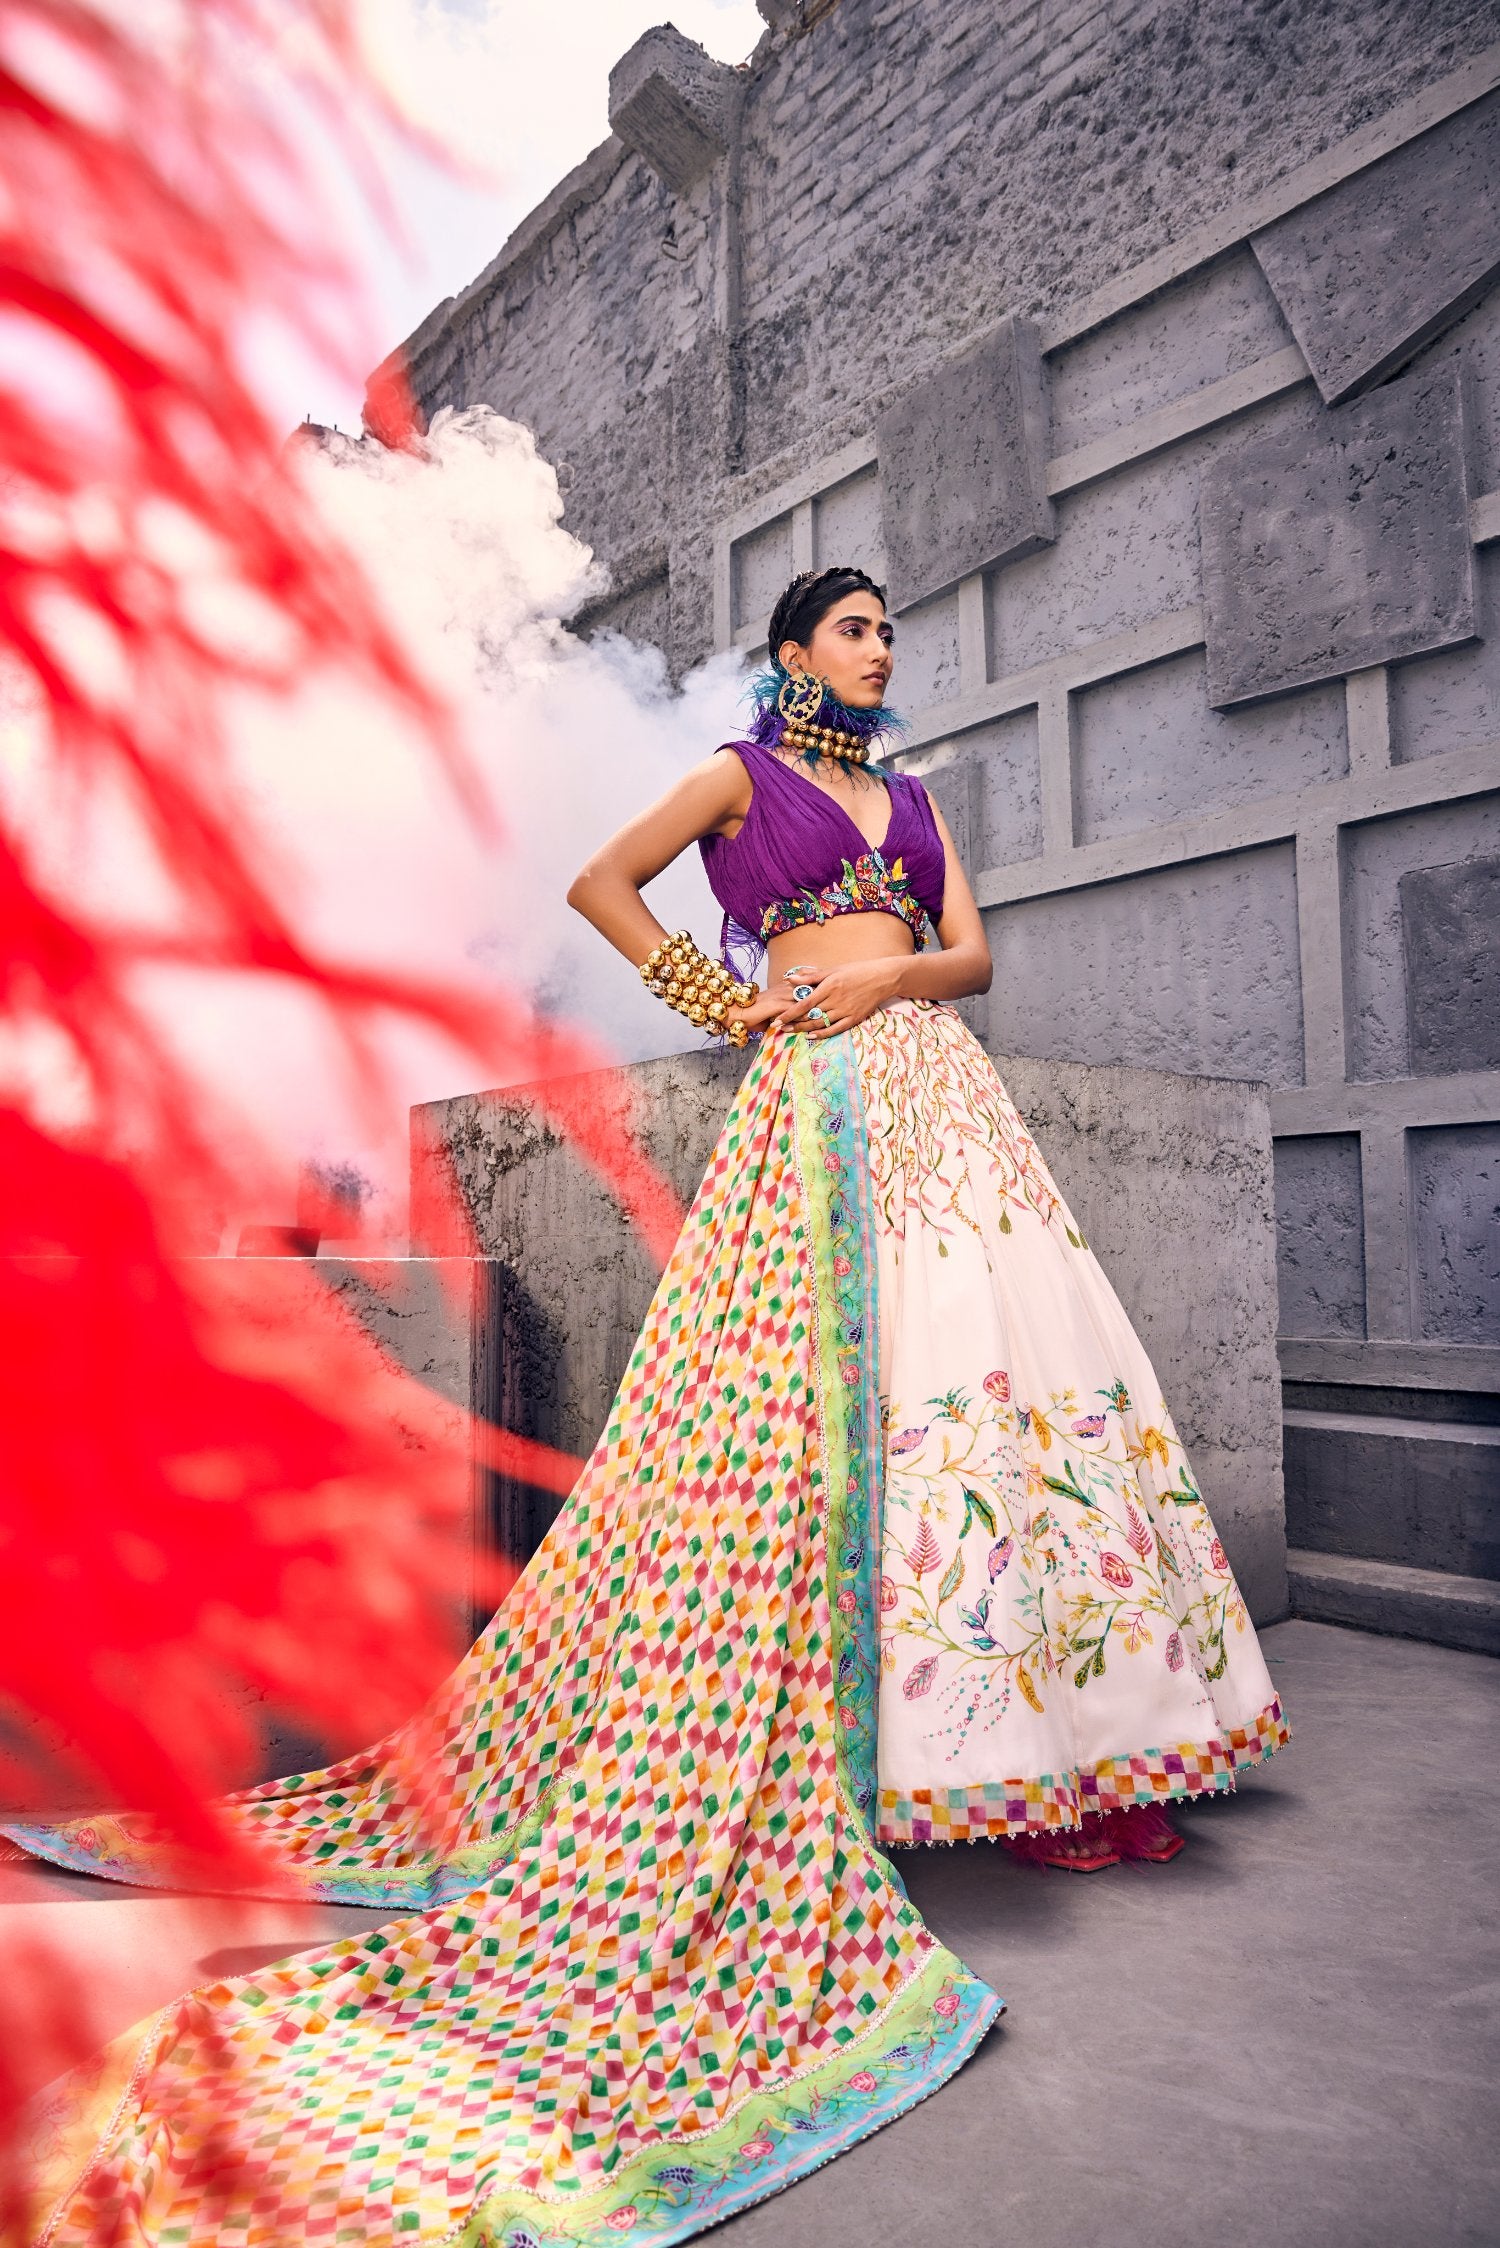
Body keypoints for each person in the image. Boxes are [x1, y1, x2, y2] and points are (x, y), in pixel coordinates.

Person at [4, 566, 1286, 2247]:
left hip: (935, 1098)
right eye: (855, 629)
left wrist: (891, 984)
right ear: (791, 654)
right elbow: (604, 883)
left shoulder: (907, 799)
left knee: (1001, 1390)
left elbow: (968, 954)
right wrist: (723, 1000)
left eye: (891, 630)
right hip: (812, 1103)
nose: (881, 649)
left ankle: (1061, 1764)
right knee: (837, 1421)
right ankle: (926, 1757)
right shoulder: (740, 782)